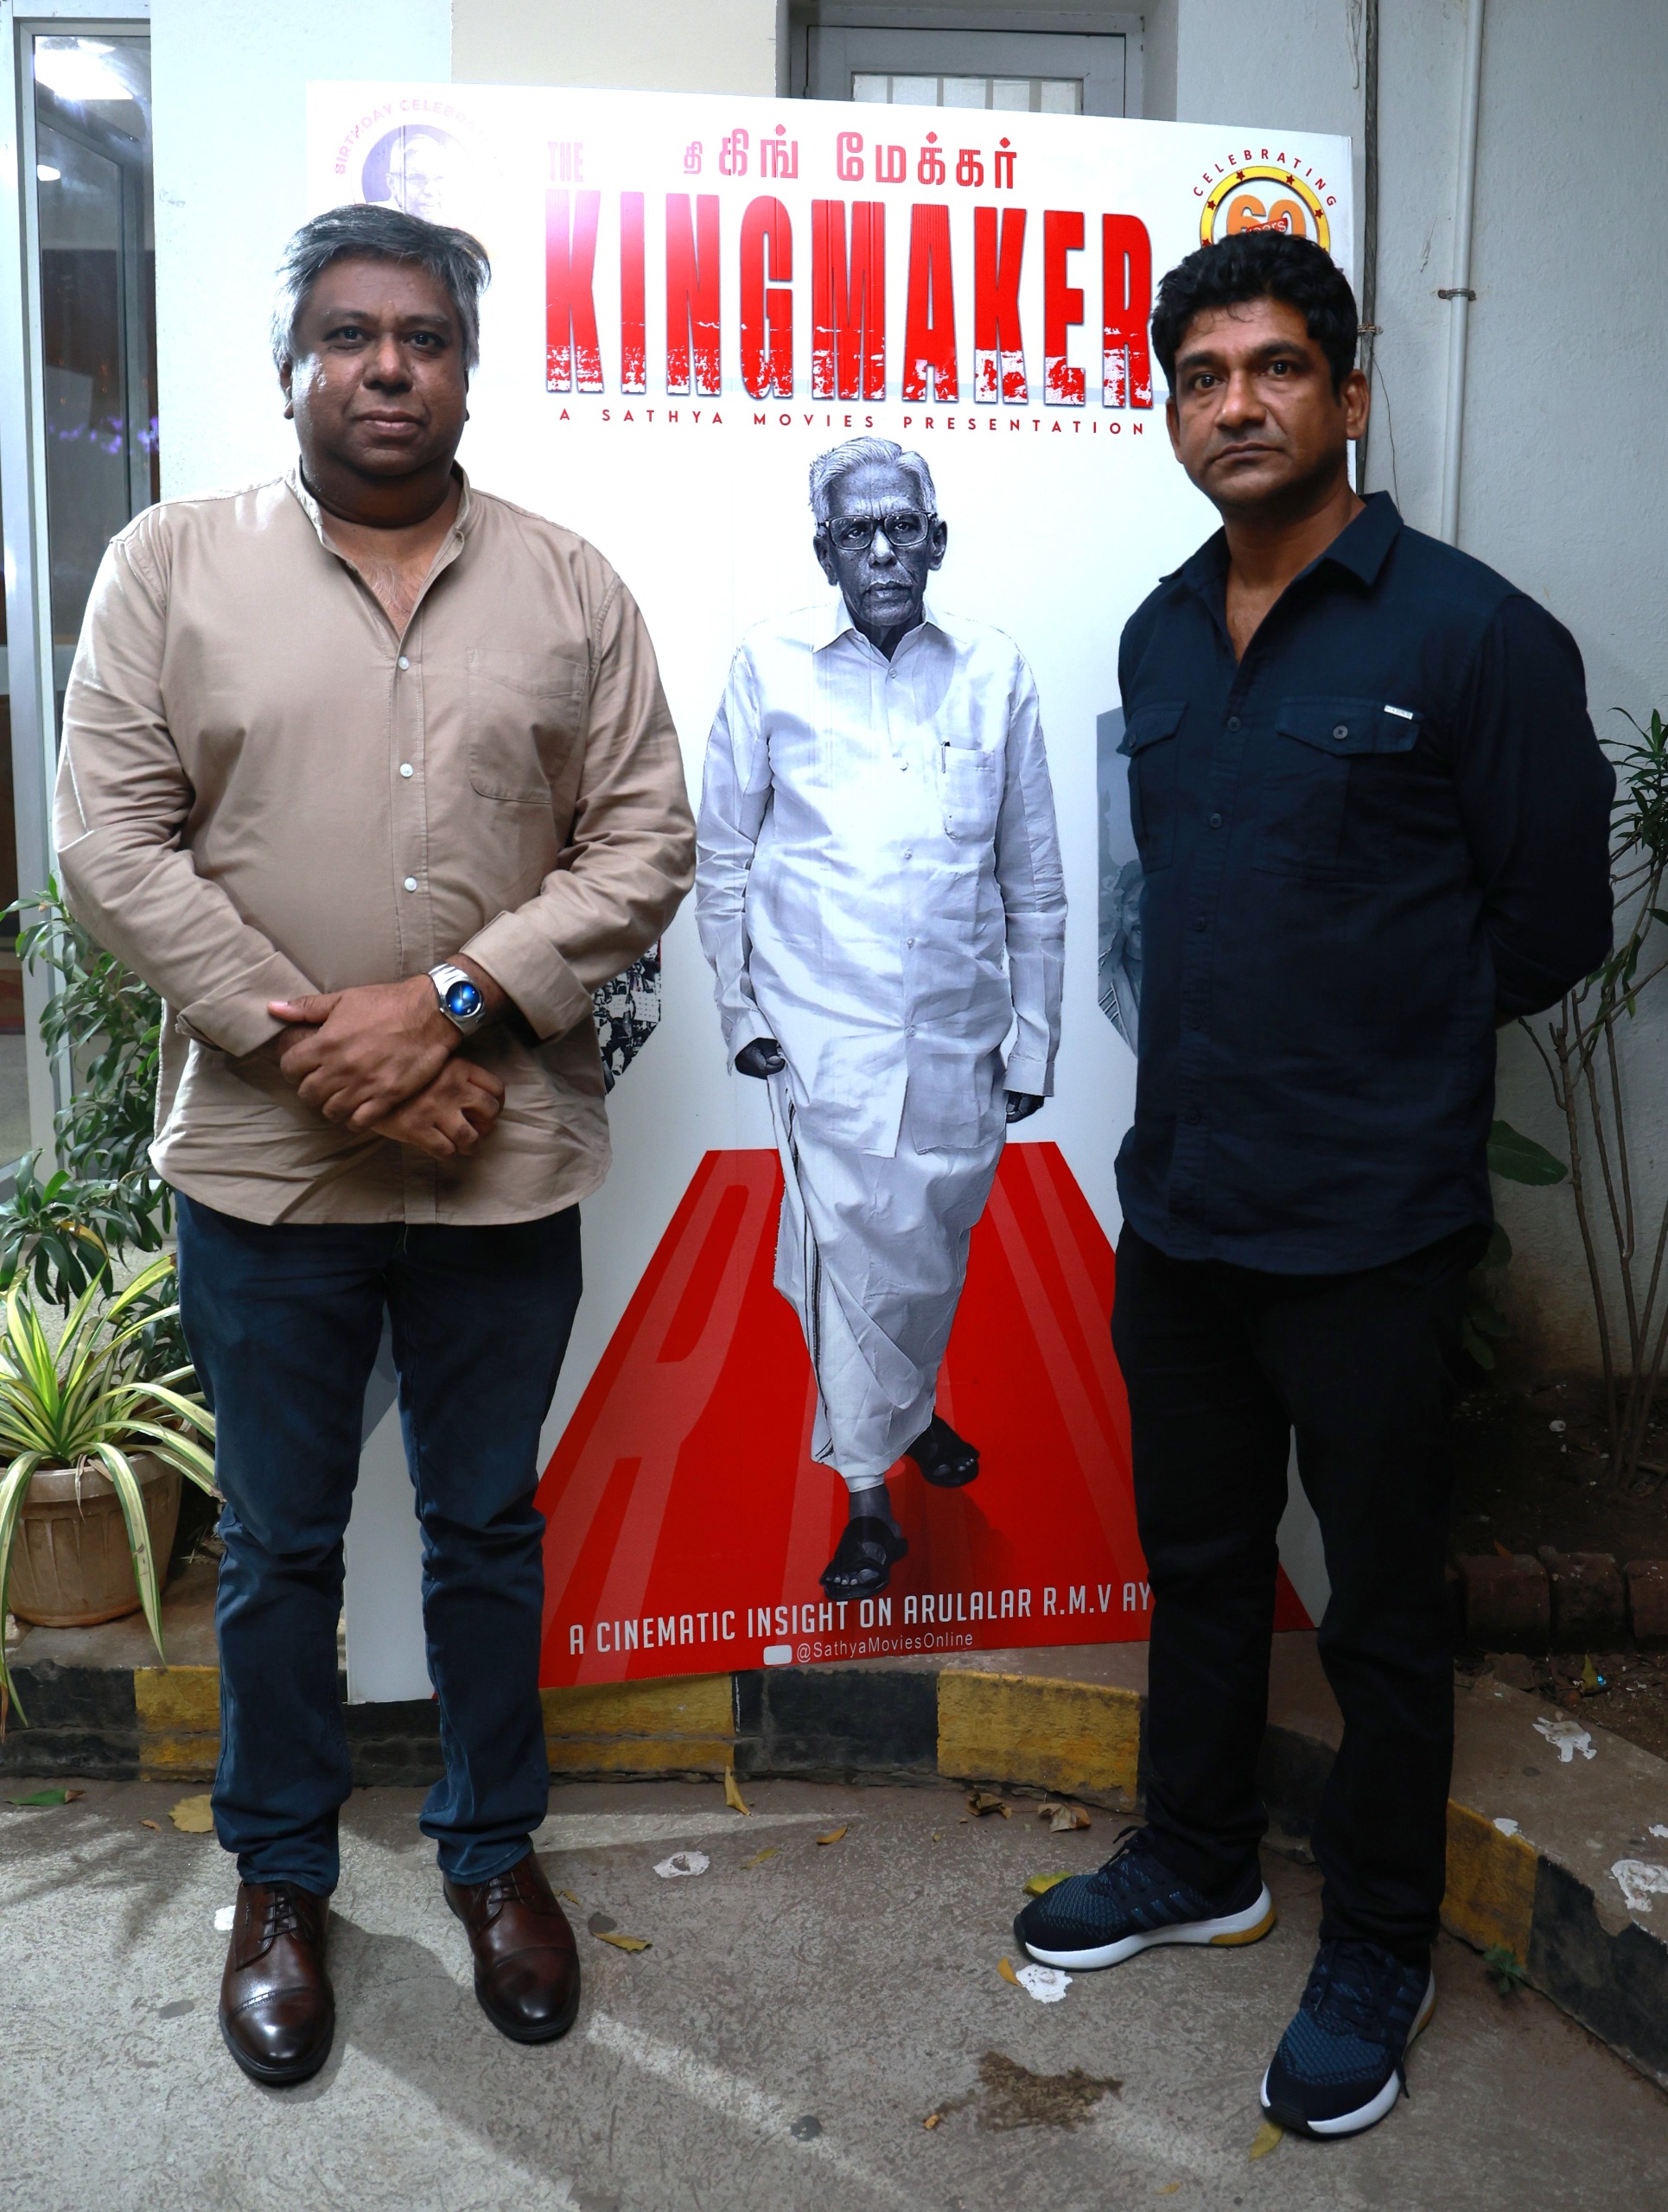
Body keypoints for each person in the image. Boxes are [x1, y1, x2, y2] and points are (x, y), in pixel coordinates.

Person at [53, 203, 695, 2085]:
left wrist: (453, 1006)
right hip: (268, 1173)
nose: (386, 365)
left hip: (500, 1156)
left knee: (486, 1529)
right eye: (348, 333)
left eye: (422, 336)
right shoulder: (169, 567)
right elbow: (109, 842)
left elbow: (644, 840)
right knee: (276, 1546)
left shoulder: (569, 586)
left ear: (468, 371)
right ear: (292, 366)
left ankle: (492, 1854)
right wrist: (323, 1048)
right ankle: (281, 1880)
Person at [1015, 232, 1614, 2140]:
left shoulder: (1475, 637)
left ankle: (1375, 1938)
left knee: (1376, 1611)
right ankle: (1198, 1855)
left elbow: (1548, 926)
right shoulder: (1154, 634)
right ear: (1169, 411)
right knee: (1198, 1564)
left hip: (1369, 1224)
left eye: (1274, 367)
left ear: (1348, 394)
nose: (1235, 404)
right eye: (1199, 376)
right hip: (1183, 1208)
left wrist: (1374, 1048)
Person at [695, 437, 1066, 1602]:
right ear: (825, 553)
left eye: (903, 527)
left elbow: (1034, 878)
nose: (883, 551)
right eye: (856, 533)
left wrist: (1036, 1036)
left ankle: (909, 1415)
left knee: (928, 1245)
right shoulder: (769, 665)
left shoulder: (995, 670)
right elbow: (723, 858)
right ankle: (868, 1505)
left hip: (959, 1030)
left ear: (936, 540)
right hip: (821, 1030)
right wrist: (740, 1008)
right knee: (845, 1254)